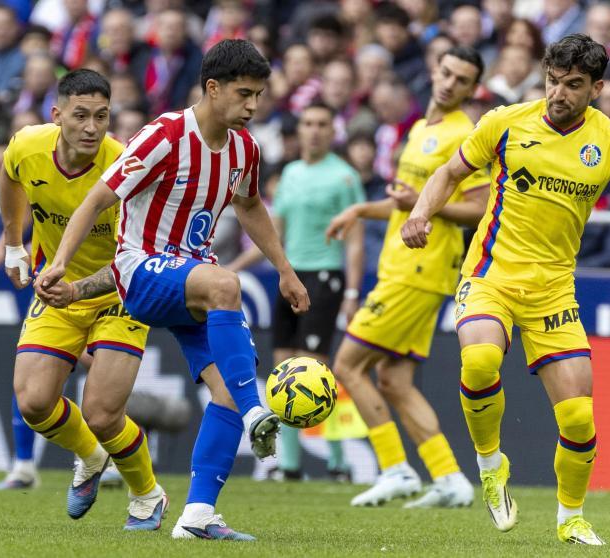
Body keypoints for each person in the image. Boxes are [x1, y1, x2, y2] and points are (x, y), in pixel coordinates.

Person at [401, 34, 610, 545]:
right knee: (478, 362)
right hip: (491, 274)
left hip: (554, 292)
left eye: (573, 85)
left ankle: (571, 519)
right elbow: (450, 173)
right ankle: (491, 465)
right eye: (552, 81)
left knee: (580, 417)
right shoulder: (504, 122)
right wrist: (420, 212)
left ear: (597, 88)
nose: (558, 93)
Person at [36, 39, 309, 542]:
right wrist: (59, 263)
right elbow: (97, 200)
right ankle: (256, 413)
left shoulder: (245, 149)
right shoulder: (164, 135)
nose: (253, 106)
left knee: (226, 387)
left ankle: (197, 516)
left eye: (259, 95)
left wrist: (286, 270)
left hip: (191, 280)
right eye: (244, 94)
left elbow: (250, 208)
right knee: (227, 285)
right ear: (212, 87)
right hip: (139, 271)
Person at [0, 69, 165, 530]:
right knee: (33, 402)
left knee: (103, 413)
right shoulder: (27, 146)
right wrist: (13, 244)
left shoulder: (126, 166)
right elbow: (10, 178)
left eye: (102, 117)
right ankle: (91, 457)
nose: (92, 127)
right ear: (57, 115)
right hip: (59, 288)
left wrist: (78, 286)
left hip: (119, 289)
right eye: (81, 116)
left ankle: (148, 495)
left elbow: (139, 253)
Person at [325, 46, 490, 508]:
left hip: (419, 269)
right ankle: (449, 478)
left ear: (472, 90)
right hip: (405, 265)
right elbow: (408, 204)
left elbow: (477, 208)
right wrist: (361, 209)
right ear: (434, 70)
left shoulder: (464, 133)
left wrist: (422, 200)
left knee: (347, 365)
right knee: (395, 382)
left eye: (462, 80)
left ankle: (395, 468)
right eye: (446, 72)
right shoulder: (419, 128)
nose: (450, 84)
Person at [229, 102, 366, 481]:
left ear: (332, 130)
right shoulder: (289, 173)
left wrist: (353, 292)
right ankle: (289, 464)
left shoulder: (344, 176)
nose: (315, 130)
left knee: (316, 372)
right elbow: (274, 234)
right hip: (289, 275)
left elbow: (354, 241)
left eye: (322, 123)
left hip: (325, 275)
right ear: (300, 129)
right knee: (284, 371)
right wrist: (233, 268)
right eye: (308, 123)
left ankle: (338, 462)